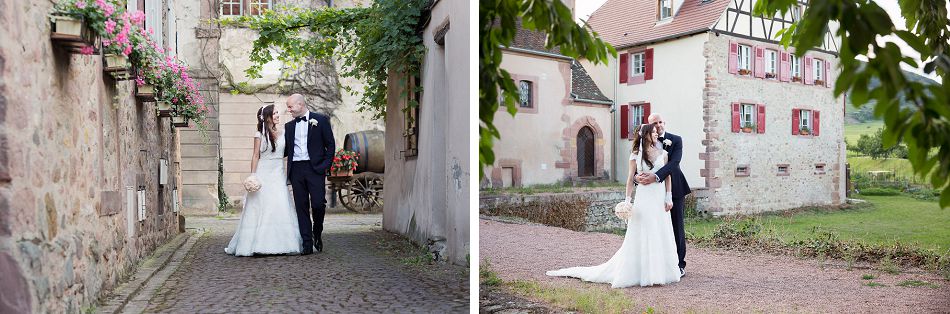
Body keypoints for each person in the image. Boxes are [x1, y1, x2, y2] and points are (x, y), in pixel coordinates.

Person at [546, 123, 681, 288]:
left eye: (656, 132)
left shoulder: (664, 153)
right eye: (653, 132)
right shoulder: (636, 155)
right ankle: (643, 272)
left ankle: (662, 272)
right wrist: (627, 200)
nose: (656, 134)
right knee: (644, 231)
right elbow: (631, 177)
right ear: (645, 135)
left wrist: (669, 197)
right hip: (644, 198)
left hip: (659, 198)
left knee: (660, 230)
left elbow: (668, 176)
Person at [225, 104, 302, 256]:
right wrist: (253, 175)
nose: (278, 116)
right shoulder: (259, 135)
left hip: (278, 173)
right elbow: (255, 155)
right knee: (262, 205)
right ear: (267, 117)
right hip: (264, 173)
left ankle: (283, 243)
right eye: (274, 113)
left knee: (279, 204)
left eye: (278, 113)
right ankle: (256, 244)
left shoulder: (284, 132)